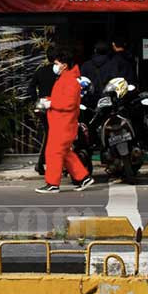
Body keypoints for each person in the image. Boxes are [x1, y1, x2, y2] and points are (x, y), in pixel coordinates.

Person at [35, 49, 94, 193]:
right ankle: (83, 177)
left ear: (64, 65)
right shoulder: (66, 79)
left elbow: (69, 104)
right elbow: (64, 100)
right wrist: (49, 101)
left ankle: (53, 183)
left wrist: (51, 103)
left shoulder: (70, 81)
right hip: (61, 123)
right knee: (65, 153)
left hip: (63, 124)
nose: (54, 66)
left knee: (54, 153)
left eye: (56, 63)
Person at [28, 47, 58, 175]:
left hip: (44, 107)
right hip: (57, 107)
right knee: (53, 136)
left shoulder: (41, 71)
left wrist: (37, 101)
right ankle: (43, 163)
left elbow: (31, 87)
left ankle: (42, 163)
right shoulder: (60, 73)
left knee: (49, 134)